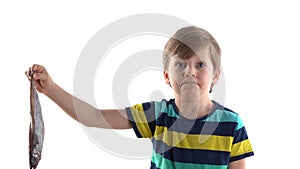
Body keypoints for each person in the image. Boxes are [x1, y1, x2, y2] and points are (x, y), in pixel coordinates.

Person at [26, 26, 254, 169]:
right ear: (167, 75)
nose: (190, 72)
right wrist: (50, 88)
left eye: (200, 64)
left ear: (215, 75)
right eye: (180, 64)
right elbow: (94, 116)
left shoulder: (232, 124)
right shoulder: (157, 115)